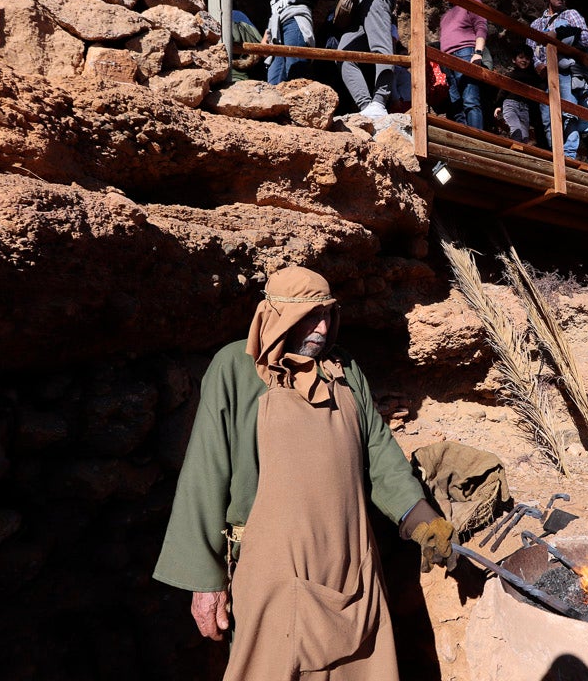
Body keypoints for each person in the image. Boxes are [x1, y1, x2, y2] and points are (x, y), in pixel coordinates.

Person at [154, 266, 456, 680]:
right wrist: (205, 582)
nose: (321, 326)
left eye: (327, 314)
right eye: (308, 316)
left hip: (353, 569)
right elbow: (205, 474)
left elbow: (379, 451)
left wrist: (419, 517)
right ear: (276, 316)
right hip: (272, 576)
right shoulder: (235, 369)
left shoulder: (344, 370)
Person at [526, 0, 588, 160]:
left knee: (569, 113)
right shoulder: (536, 24)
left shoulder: (571, 15)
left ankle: (568, 156)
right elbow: (530, 48)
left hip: (566, 72)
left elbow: (586, 39)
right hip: (545, 74)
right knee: (547, 117)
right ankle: (557, 154)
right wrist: (539, 66)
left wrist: (560, 35)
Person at [439, 0, 489, 130]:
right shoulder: (445, 16)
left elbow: (481, 27)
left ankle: (476, 142)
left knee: (470, 100)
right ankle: (465, 146)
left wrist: (478, 52)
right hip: (447, 60)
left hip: (465, 53)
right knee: (455, 106)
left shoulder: (471, 1)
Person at [494, 47, 542, 142]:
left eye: (527, 58)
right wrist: (499, 105)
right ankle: (518, 145)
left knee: (522, 132)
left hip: (524, 107)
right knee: (518, 128)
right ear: (514, 60)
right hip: (511, 104)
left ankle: (520, 147)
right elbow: (503, 91)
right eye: (521, 57)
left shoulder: (532, 78)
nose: (524, 60)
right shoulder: (511, 75)